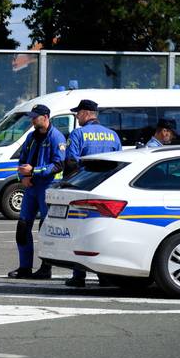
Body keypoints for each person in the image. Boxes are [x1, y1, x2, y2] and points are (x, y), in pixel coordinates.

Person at [64, 99, 122, 287]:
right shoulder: (113, 135)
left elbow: (71, 164)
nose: (77, 117)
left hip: (85, 189)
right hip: (108, 191)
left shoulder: (78, 134)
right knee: (103, 231)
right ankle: (104, 276)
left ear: (87, 113)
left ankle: (78, 275)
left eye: (78, 113)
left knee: (80, 231)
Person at [8, 104, 65, 279]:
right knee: (23, 226)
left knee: (45, 228)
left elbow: (58, 164)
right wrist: (22, 177)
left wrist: (34, 171)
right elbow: (22, 159)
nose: (32, 120)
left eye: (36, 117)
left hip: (47, 187)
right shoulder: (31, 137)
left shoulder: (56, 137)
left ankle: (46, 268)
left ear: (46, 117)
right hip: (30, 188)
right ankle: (24, 267)